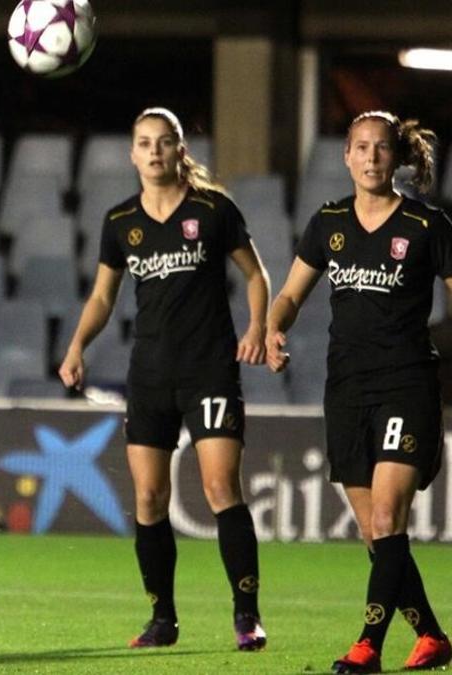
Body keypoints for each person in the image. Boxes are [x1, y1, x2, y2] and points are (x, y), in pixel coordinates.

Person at [58, 107, 270, 652]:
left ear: (180, 150)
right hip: (149, 374)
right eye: (144, 143)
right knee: (149, 498)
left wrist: (258, 327)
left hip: (209, 371)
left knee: (221, 486)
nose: (154, 151)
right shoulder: (119, 222)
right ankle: (163, 619)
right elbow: (103, 296)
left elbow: (256, 274)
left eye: (164, 142)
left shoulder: (213, 209)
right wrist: (78, 345)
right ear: (132, 154)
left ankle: (247, 616)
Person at [266, 110, 452, 673]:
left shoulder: (427, 225)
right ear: (346, 156)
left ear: (396, 158)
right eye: (361, 147)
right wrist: (274, 327)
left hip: (407, 385)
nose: (371, 157)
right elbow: (291, 294)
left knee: (389, 516)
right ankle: (434, 637)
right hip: (345, 390)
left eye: (381, 148)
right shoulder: (328, 223)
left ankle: (367, 646)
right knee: (376, 534)